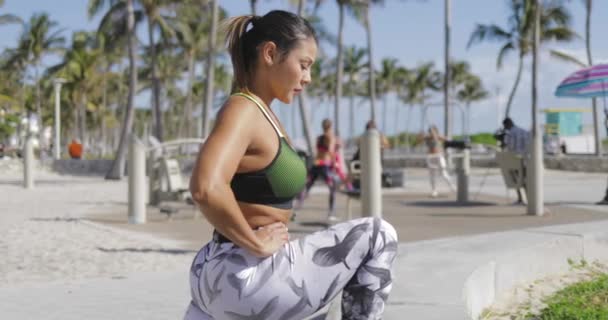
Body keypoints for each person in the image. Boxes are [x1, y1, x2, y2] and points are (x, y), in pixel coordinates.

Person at [185, 11, 398, 320]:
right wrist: (254, 243)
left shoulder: (263, 113)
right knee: (379, 234)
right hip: (244, 273)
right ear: (270, 53)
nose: (307, 78)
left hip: (221, 274)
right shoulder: (243, 108)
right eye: (303, 65)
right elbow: (205, 187)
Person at [416, 125, 455, 198]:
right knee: (432, 175)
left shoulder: (438, 136)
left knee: (444, 174)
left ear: (436, 131)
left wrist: (436, 136)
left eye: (432, 131)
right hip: (430, 157)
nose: (431, 132)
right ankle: (434, 191)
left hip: (439, 156)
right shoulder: (427, 138)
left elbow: (447, 140)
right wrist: (420, 135)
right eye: (430, 131)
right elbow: (418, 141)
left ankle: (453, 187)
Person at [502, 117, 530, 204]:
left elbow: (510, 147)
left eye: (505, 127)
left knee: (516, 180)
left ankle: (520, 199)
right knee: (525, 180)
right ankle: (529, 199)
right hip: (525, 160)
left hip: (515, 160)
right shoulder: (523, 131)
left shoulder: (511, 133)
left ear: (507, 124)